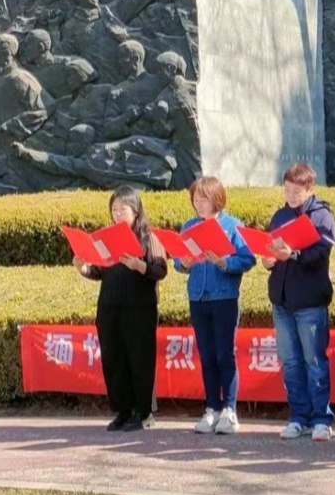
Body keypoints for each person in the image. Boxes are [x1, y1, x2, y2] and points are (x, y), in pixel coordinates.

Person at [78, 186, 168, 432]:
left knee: (139, 359)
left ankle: (143, 411)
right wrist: (83, 268)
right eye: (114, 210)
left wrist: (140, 266)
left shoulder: (148, 237)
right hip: (109, 307)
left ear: (136, 212)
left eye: (123, 209)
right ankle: (123, 410)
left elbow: (160, 270)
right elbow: (98, 271)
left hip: (139, 308)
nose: (118, 214)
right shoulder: (106, 238)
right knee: (114, 359)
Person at [264, 161, 335, 441]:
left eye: (297, 191)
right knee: (291, 362)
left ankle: (321, 418)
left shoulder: (321, 217)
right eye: (287, 190)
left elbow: (321, 254)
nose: (291, 195)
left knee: (314, 361)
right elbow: (269, 249)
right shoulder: (280, 215)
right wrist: (269, 260)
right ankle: (298, 416)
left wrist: (292, 254)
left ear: (310, 189)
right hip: (281, 299)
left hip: (309, 300)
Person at [178, 175, 256, 435]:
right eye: (196, 199)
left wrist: (224, 262)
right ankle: (211, 407)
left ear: (217, 199)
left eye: (204, 198)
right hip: (198, 297)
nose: (199, 204)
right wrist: (184, 263)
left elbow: (247, 259)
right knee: (207, 355)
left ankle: (229, 410)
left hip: (224, 297)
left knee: (225, 354)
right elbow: (179, 261)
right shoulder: (189, 225)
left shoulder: (233, 225)